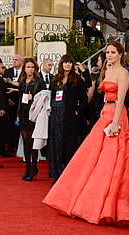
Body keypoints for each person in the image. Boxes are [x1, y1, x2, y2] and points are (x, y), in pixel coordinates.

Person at [43, 41, 129, 227]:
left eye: (113, 52)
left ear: (120, 54)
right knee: (92, 157)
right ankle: (88, 200)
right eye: (108, 52)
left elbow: (121, 100)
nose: (109, 55)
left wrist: (115, 123)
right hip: (105, 115)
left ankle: (111, 204)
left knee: (113, 158)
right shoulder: (108, 71)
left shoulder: (122, 73)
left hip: (116, 117)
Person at [48, 54, 87, 185]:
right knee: (55, 145)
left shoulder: (77, 80)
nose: (68, 65)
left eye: (70, 62)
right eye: (65, 62)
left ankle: (67, 176)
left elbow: (84, 99)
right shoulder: (55, 79)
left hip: (69, 117)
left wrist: (77, 112)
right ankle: (56, 175)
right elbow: (52, 96)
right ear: (61, 64)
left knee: (68, 146)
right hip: (55, 117)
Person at [17, 58, 45, 180]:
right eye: (28, 67)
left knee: (33, 142)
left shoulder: (39, 81)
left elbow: (43, 98)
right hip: (23, 113)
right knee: (25, 142)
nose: (30, 69)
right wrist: (18, 113)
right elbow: (19, 98)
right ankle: (28, 167)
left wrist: (32, 97)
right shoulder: (22, 81)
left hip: (34, 113)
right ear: (24, 68)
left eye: (32, 67)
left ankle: (34, 166)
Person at [3, 54, 23, 156]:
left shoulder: (25, 72)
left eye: (16, 60)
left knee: (20, 126)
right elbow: (4, 86)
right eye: (13, 59)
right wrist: (8, 99)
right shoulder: (8, 72)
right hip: (10, 103)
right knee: (10, 125)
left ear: (21, 61)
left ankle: (18, 146)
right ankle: (10, 147)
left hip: (22, 102)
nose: (14, 61)